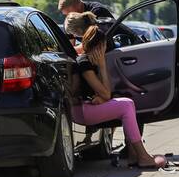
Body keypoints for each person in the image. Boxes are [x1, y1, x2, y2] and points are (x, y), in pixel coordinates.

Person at [72, 26, 167, 169]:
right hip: (82, 110)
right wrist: (103, 91)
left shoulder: (93, 62)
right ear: (98, 45)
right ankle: (142, 155)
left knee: (128, 103)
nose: (103, 49)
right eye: (102, 45)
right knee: (126, 105)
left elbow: (106, 93)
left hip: (90, 107)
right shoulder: (84, 62)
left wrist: (102, 68)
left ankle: (134, 154)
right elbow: (106, 93)